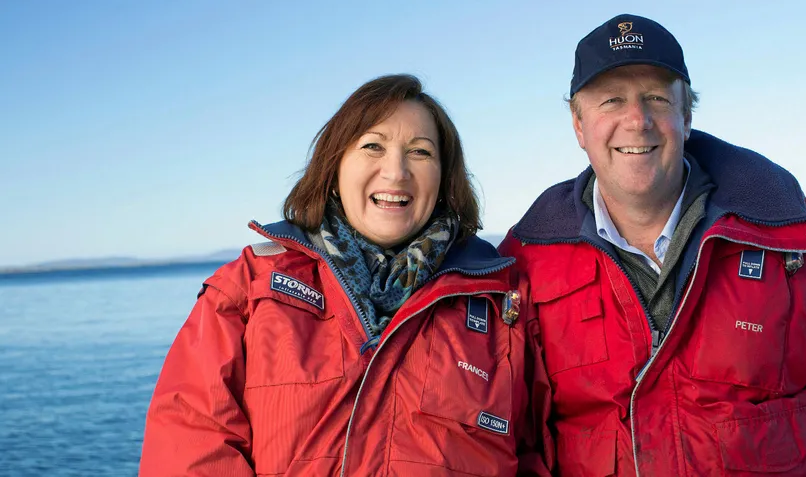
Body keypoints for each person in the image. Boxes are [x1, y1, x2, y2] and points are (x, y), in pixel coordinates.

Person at [499, 14, 806, 477]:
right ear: (579, 125)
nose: (637, 120)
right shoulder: (524, 261)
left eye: (657, 98)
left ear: (686, 117)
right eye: (611, 100)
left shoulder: (793, 234)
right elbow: (501, 434)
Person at [140, 74, 550, 476]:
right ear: (334, 166)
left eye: (420, 152)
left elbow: (535, 455)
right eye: (373, 146)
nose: (396, 172)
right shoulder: (248, 287)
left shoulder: (500, 305)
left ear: (444, 179)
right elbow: (188, 443)